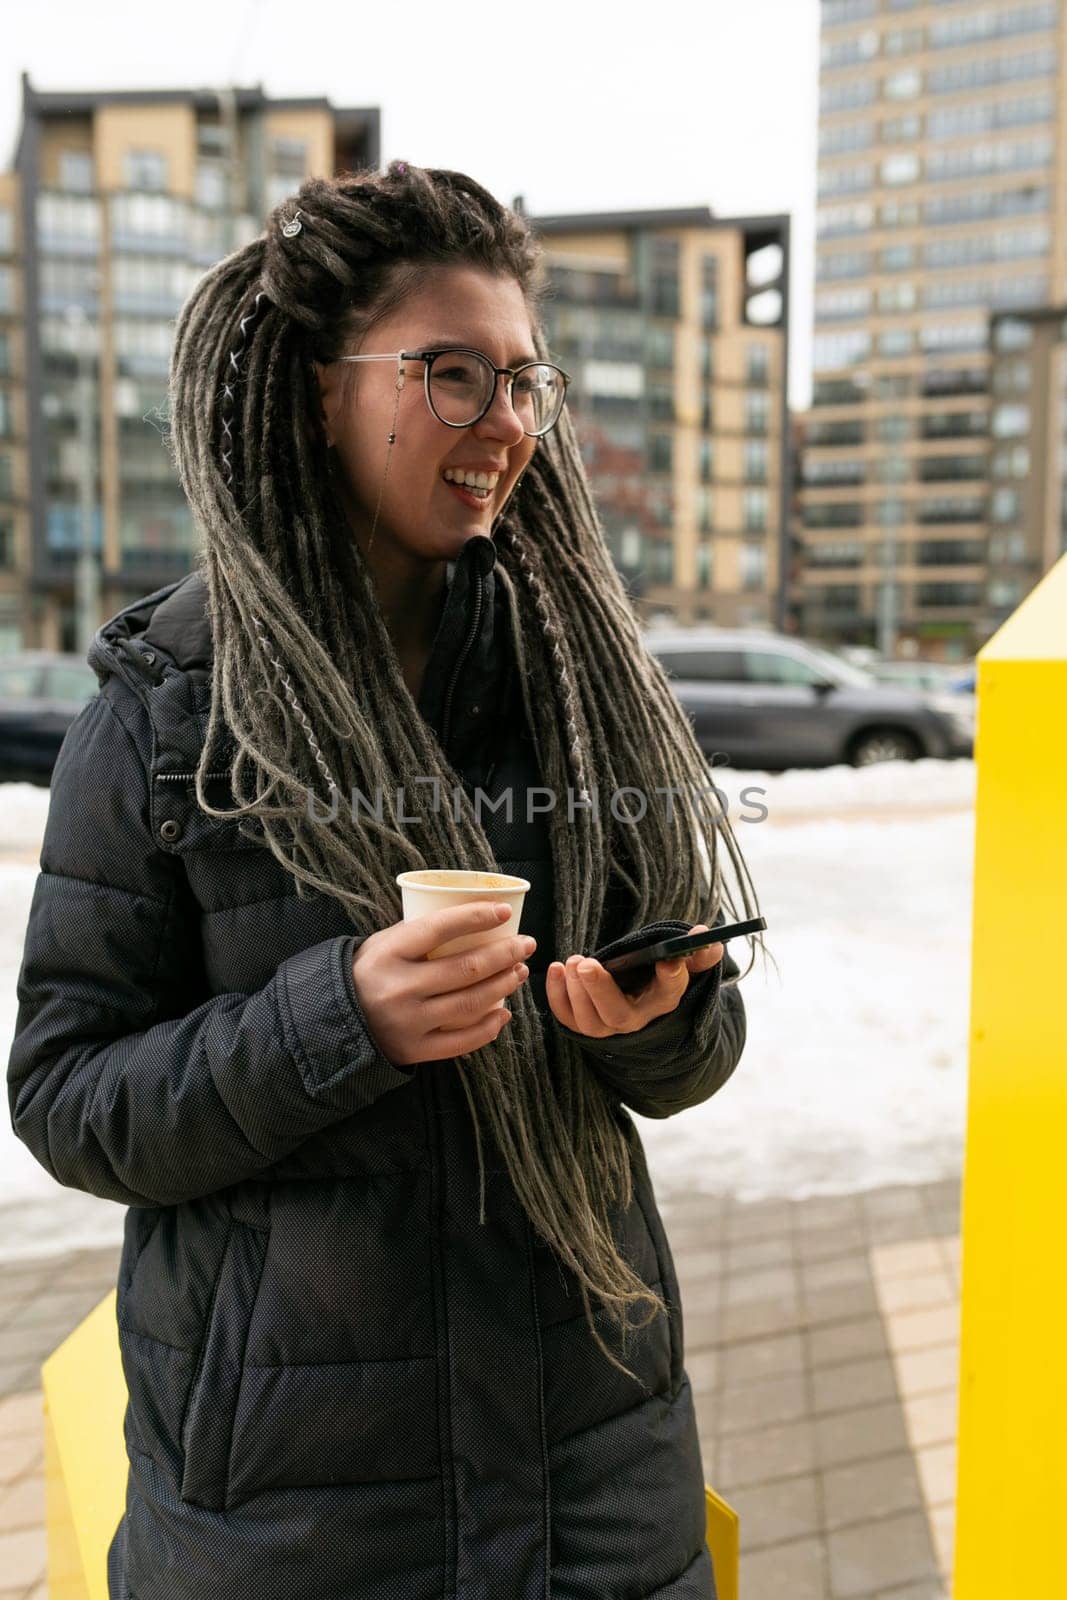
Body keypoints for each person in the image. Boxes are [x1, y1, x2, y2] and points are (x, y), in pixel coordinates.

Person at [8, 161, 764, 1600]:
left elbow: (694, 1052)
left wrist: (656, 1016)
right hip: (294, 1523)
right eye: (452, 374)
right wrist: (335, 1020)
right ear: (314, 392)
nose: (505, 424)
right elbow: (67, 1097)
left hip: (589, 1487)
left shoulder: (578, 693)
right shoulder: (168, 718)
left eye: (524, 379)